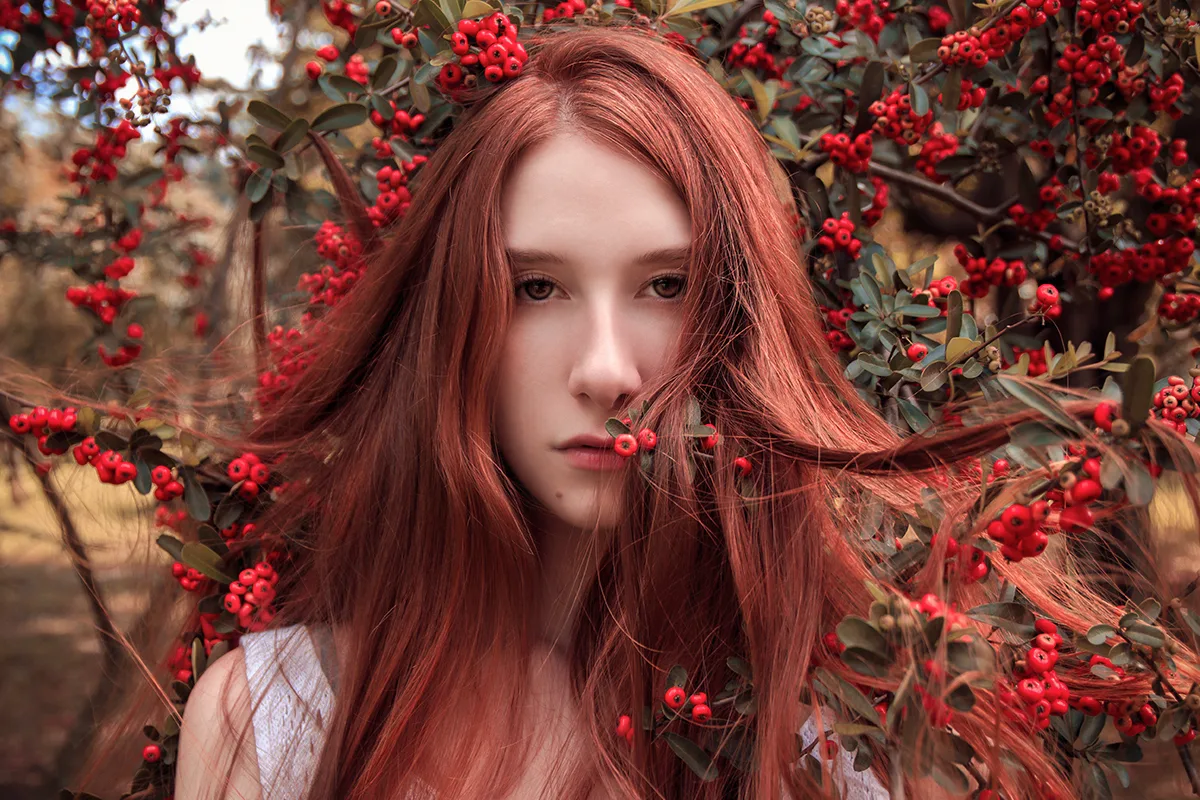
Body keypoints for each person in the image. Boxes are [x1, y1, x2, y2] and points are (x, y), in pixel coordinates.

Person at [54, 19, 1199, 800]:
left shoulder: (846, 737)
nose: (607, 367)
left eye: (667, 285)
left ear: (741, 324)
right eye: (535, 287)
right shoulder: (274, 723)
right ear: (452, 320)